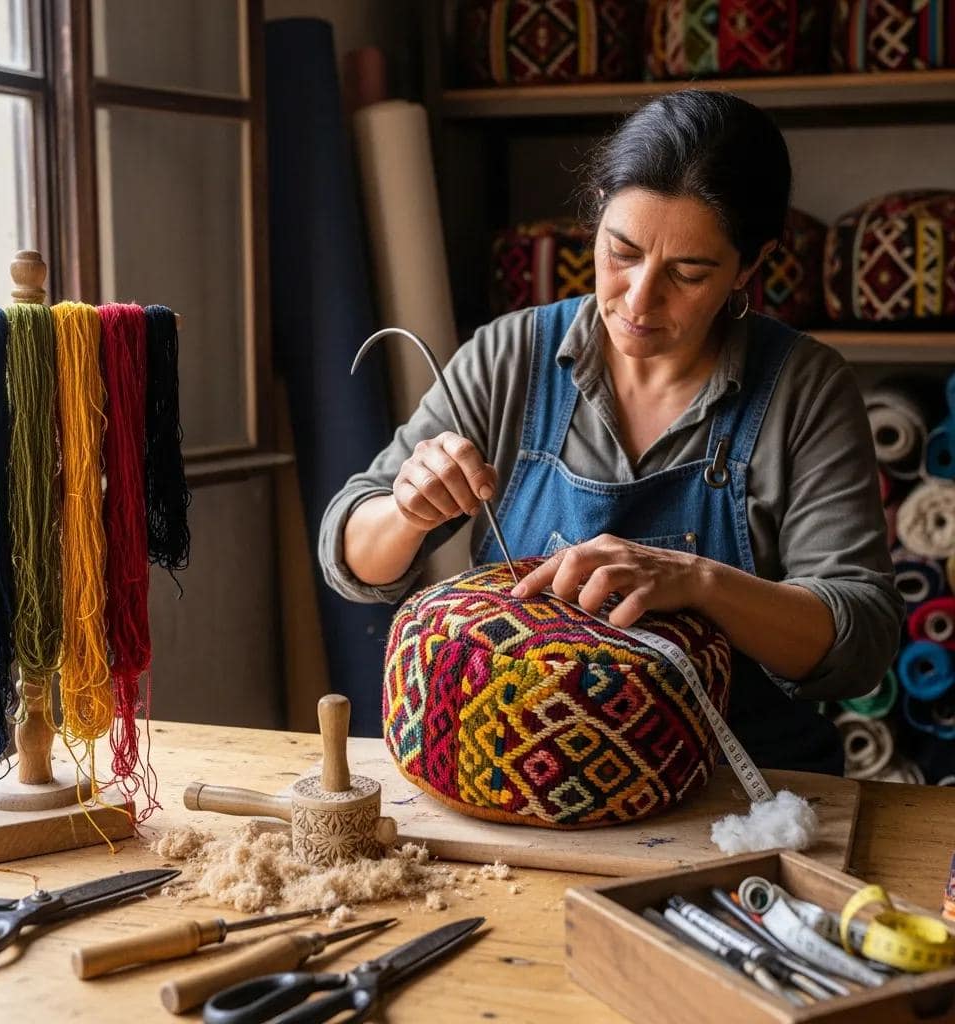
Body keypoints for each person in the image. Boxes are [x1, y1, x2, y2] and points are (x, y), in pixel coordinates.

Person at [319, 89, 903, 775]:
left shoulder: (803, 389)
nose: (638, 299)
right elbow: (354, 558)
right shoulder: (512, 357)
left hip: (746, 791)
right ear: (597, 210)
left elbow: (860, 637)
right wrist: (406, 510)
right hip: (527, 779)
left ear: (750, 265)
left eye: (689, 272)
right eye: (620, 252)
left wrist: (700, 582)